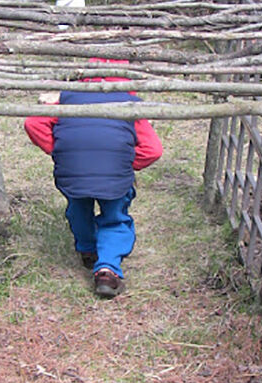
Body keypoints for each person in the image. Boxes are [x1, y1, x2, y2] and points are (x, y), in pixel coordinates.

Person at [24, 59, 163, 298]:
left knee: (78, 208)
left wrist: (61, 151)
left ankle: (88, 250)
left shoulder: (69, 98)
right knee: (114, 218)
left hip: (73, 171)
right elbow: (153, 149)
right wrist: (125, 162)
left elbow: (33, 123)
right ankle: (107, 270)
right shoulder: (128, 103)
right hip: (115, 174)